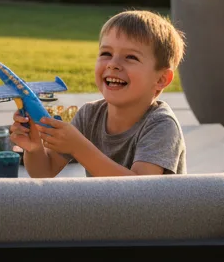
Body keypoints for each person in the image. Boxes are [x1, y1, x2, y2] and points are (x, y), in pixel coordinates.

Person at [10, 10, 187, 177]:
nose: (113, 64)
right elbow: (44, 172)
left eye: (131, 57)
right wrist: (34, 148)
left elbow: (139, 192)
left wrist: (78, 147)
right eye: (106, 53)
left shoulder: (161, 125)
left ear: (161, 79)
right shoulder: (90, 115)